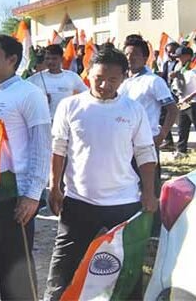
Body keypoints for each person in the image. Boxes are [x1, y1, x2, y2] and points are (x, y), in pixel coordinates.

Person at [44, 47, 158, 300]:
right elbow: (58, 149)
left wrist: (149, 193)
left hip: (124, 204)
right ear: (88, 74)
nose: (105, 85)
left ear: (124, 78)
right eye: (98, 78)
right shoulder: (71, 106)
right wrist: (54, 186)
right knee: (63, 268)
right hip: (79, 201)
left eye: (113, 79)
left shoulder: (133, 109)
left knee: (127, 270)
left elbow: (145, 153)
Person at [0, 35, 51, 300]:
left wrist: (32, 196)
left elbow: (42, 147)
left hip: (15, 193)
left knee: (17, 266)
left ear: (12, 60)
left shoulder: (29, 94)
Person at [119, 36, 177, 234]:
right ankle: (133, 227)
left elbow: (172, 109)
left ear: (145, 57)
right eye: (127, 54)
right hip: (125, 144)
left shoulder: (154, 81)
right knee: (129, 187)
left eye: (135, 54)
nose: (130, 58)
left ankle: (154, 232)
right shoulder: (123, 82)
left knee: (149, 188)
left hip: (146, 143)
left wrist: (161, 136)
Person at [26, 44, 88, 120]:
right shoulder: (35, 79)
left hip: (66, 121)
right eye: (47, 58)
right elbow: (22, 96)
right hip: (44, 122)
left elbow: (87, 95)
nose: (50, 61)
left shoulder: (72, 77)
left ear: (61, 59)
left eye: (54, 58)